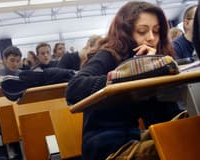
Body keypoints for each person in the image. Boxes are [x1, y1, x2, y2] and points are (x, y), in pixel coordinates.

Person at [66, 1, 181, 160]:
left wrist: (154, 66)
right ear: (125, 32)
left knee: (189, 128)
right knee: (184, 140)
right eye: (142, 31)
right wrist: (136, 71)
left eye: (157, 31)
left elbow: (163, 119)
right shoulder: (108, 55)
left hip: (133, 140)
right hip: (107, 151)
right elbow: (74, 89)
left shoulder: (153, 59)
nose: (151, 38)